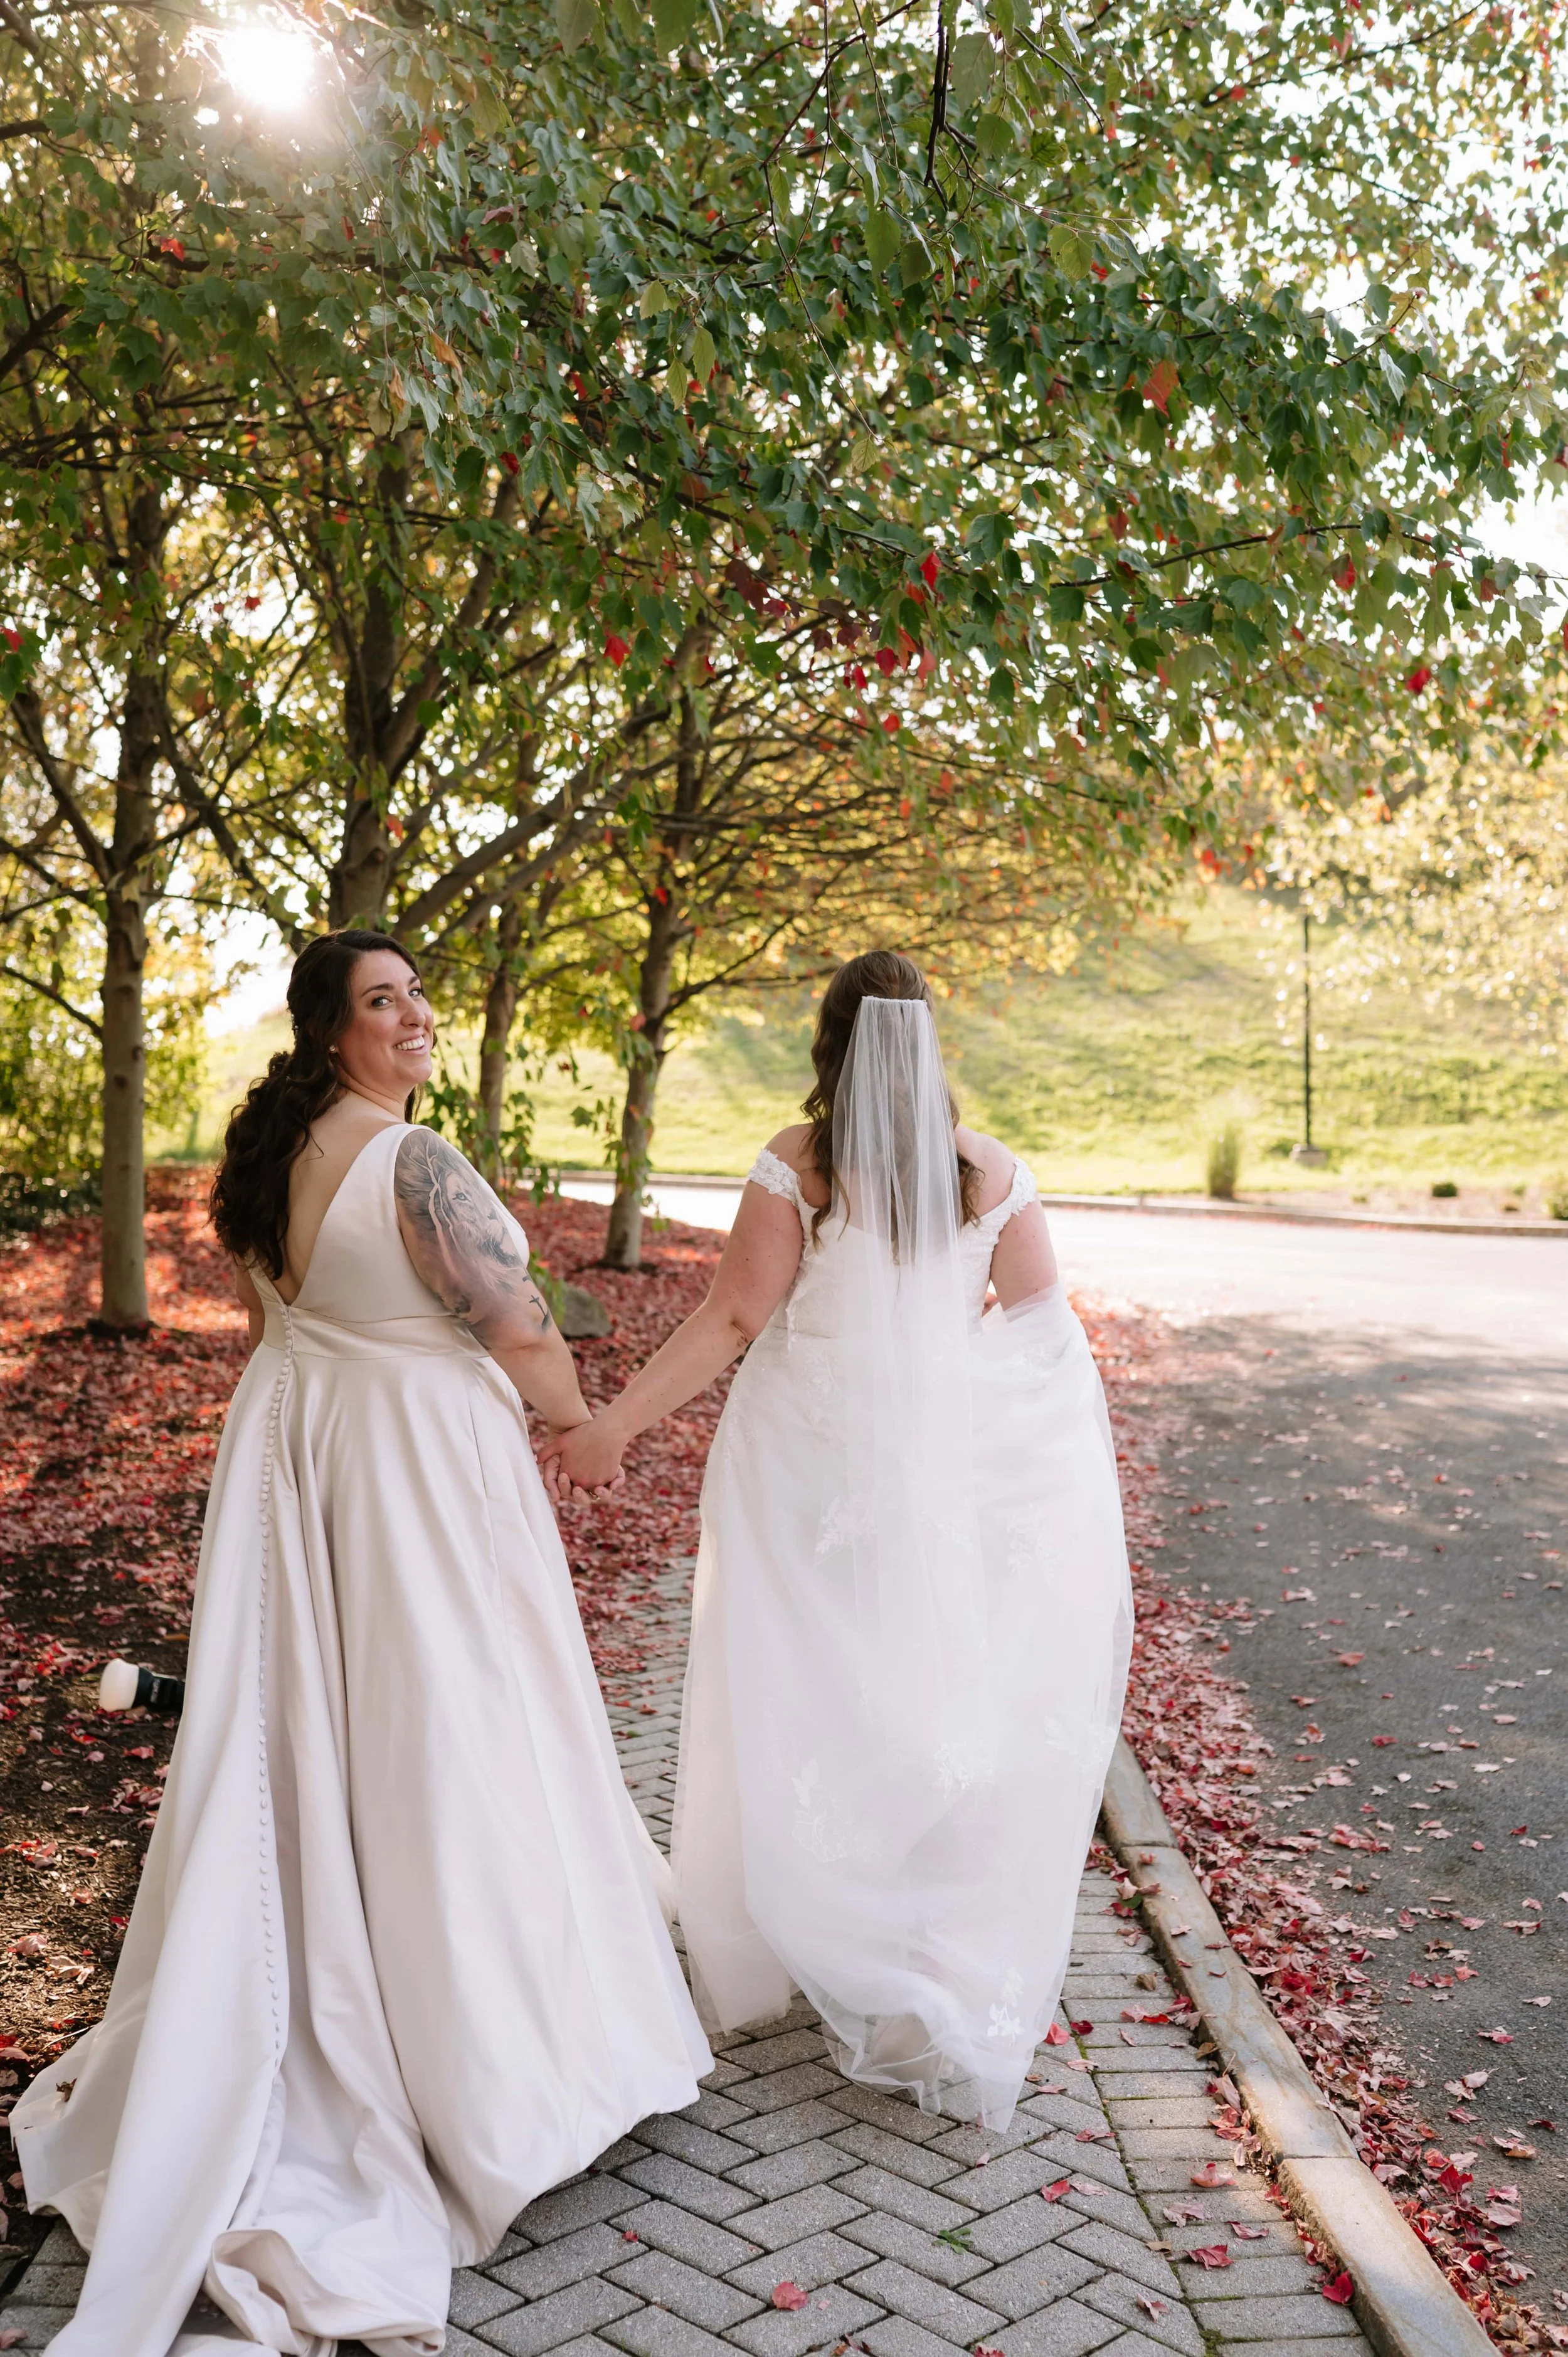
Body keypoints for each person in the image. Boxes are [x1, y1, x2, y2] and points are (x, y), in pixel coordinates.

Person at [14, 929, 711, 2357]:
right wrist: (582, 1424)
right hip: (412, 1469)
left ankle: (362, 1994)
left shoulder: (269, 1151)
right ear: (333, 1030)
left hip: (306, 1453)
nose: (416, 1015)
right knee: (453, 1723)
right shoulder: (413, 1162)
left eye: (418, 993)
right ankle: (483, 2061)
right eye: (383, 1001)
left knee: (335, 1732)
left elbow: (293, 1315)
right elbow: (517, 1325)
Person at [545, 950, 1132, 2132]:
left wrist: (616, 1423)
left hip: (801, 1472)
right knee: (915, 1689)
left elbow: (733, 1316)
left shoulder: (803, 1164)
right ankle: (902, 1940)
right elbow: (1042, 1335)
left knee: (801, 1689)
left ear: (834, 1042)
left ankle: (816, 1926)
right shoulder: (991, 1173)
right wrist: (969, 1427)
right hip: (933, 1488)